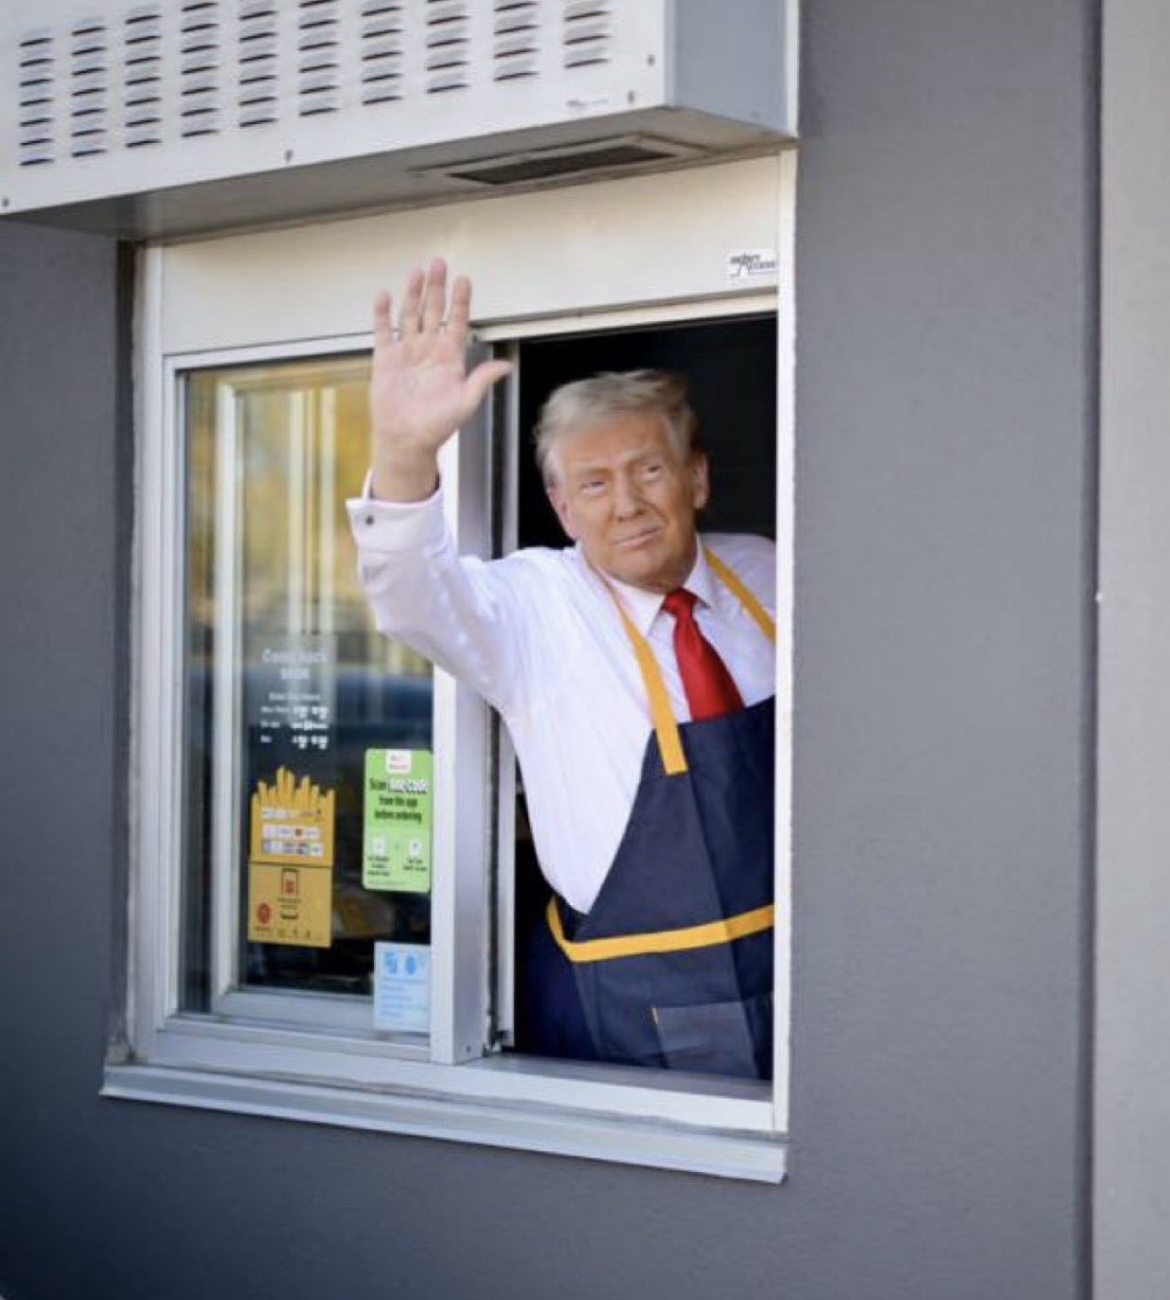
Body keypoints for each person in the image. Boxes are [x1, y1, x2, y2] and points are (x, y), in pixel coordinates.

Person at [347, 258, 777, 1079]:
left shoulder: (765, 576)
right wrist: (403, 449)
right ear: (563, 509)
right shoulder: (534, 606)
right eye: (594, 483)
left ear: (697, 477)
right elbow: (409, 594)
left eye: (649, 470)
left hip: (804, 974)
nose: (627, 503)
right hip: (642, 1006)